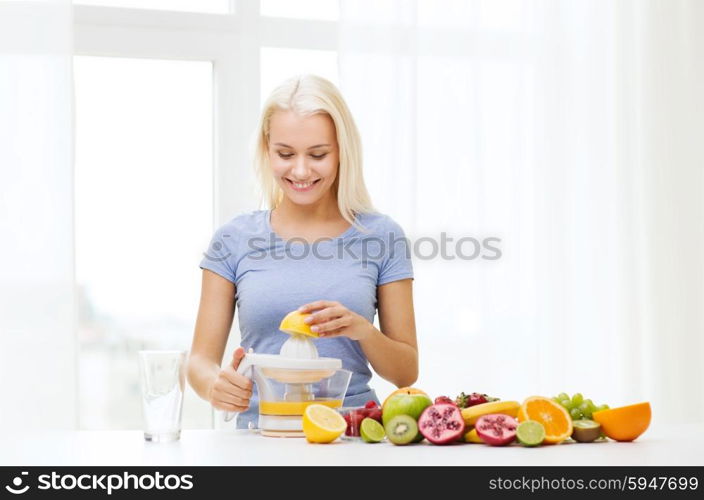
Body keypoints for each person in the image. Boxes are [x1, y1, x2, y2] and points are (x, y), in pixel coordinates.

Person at [187, 74, 418, 429]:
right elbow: (200, 362)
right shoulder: (233, 238)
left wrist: (362, 331)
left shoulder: (382, 236)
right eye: (284, 154)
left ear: (343, 151)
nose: (300, 170)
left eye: (318, 154)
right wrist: (214, 385)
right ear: (267, 150)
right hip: (260, 439)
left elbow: (406, 372)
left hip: (353, 438)